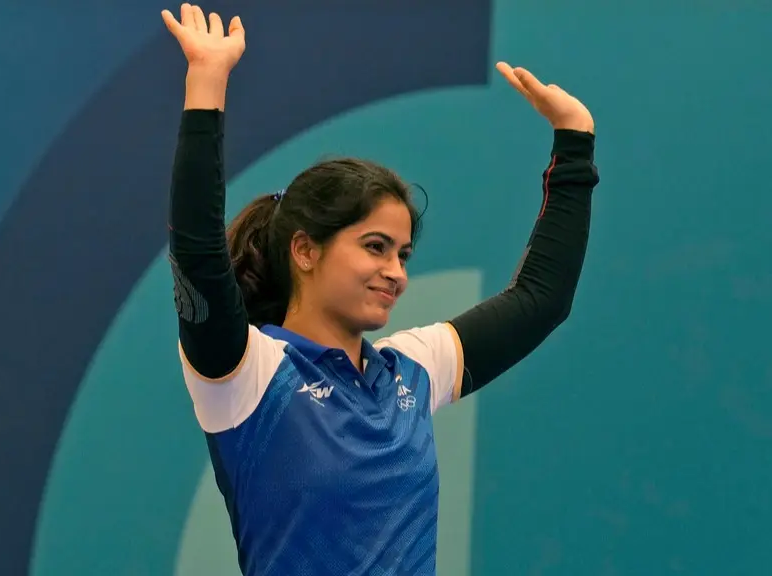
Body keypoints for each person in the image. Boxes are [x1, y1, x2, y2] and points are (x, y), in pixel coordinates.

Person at [162, 4, 599, 575]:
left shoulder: (411, 371)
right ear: (305, 250)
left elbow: (541, 300)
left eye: (403, 253)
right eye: (374, 246)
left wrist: (575, 143)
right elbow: (196, 250)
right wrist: (206, 82)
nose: (396, 271)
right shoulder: (247, 375)